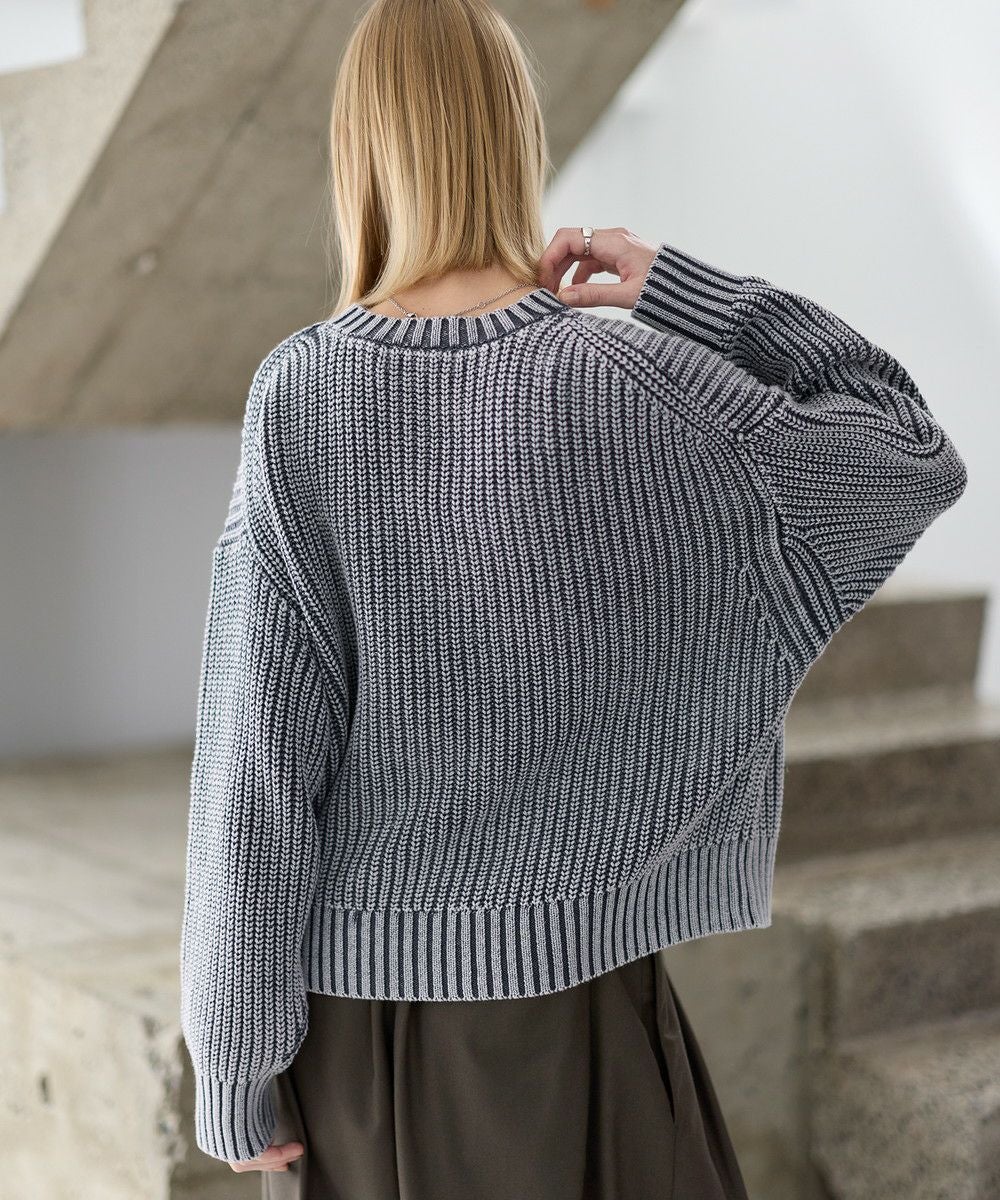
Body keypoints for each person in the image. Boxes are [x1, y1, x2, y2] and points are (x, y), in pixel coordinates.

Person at [177, 0, 968, 1196]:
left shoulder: (306, 395)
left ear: (362, 151)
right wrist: (682, 290)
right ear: (517, 138)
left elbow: (259, 766)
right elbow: (902, 445)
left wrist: (234, 1055)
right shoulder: (640, 381)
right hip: (603, 1008)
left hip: (378, 1041)